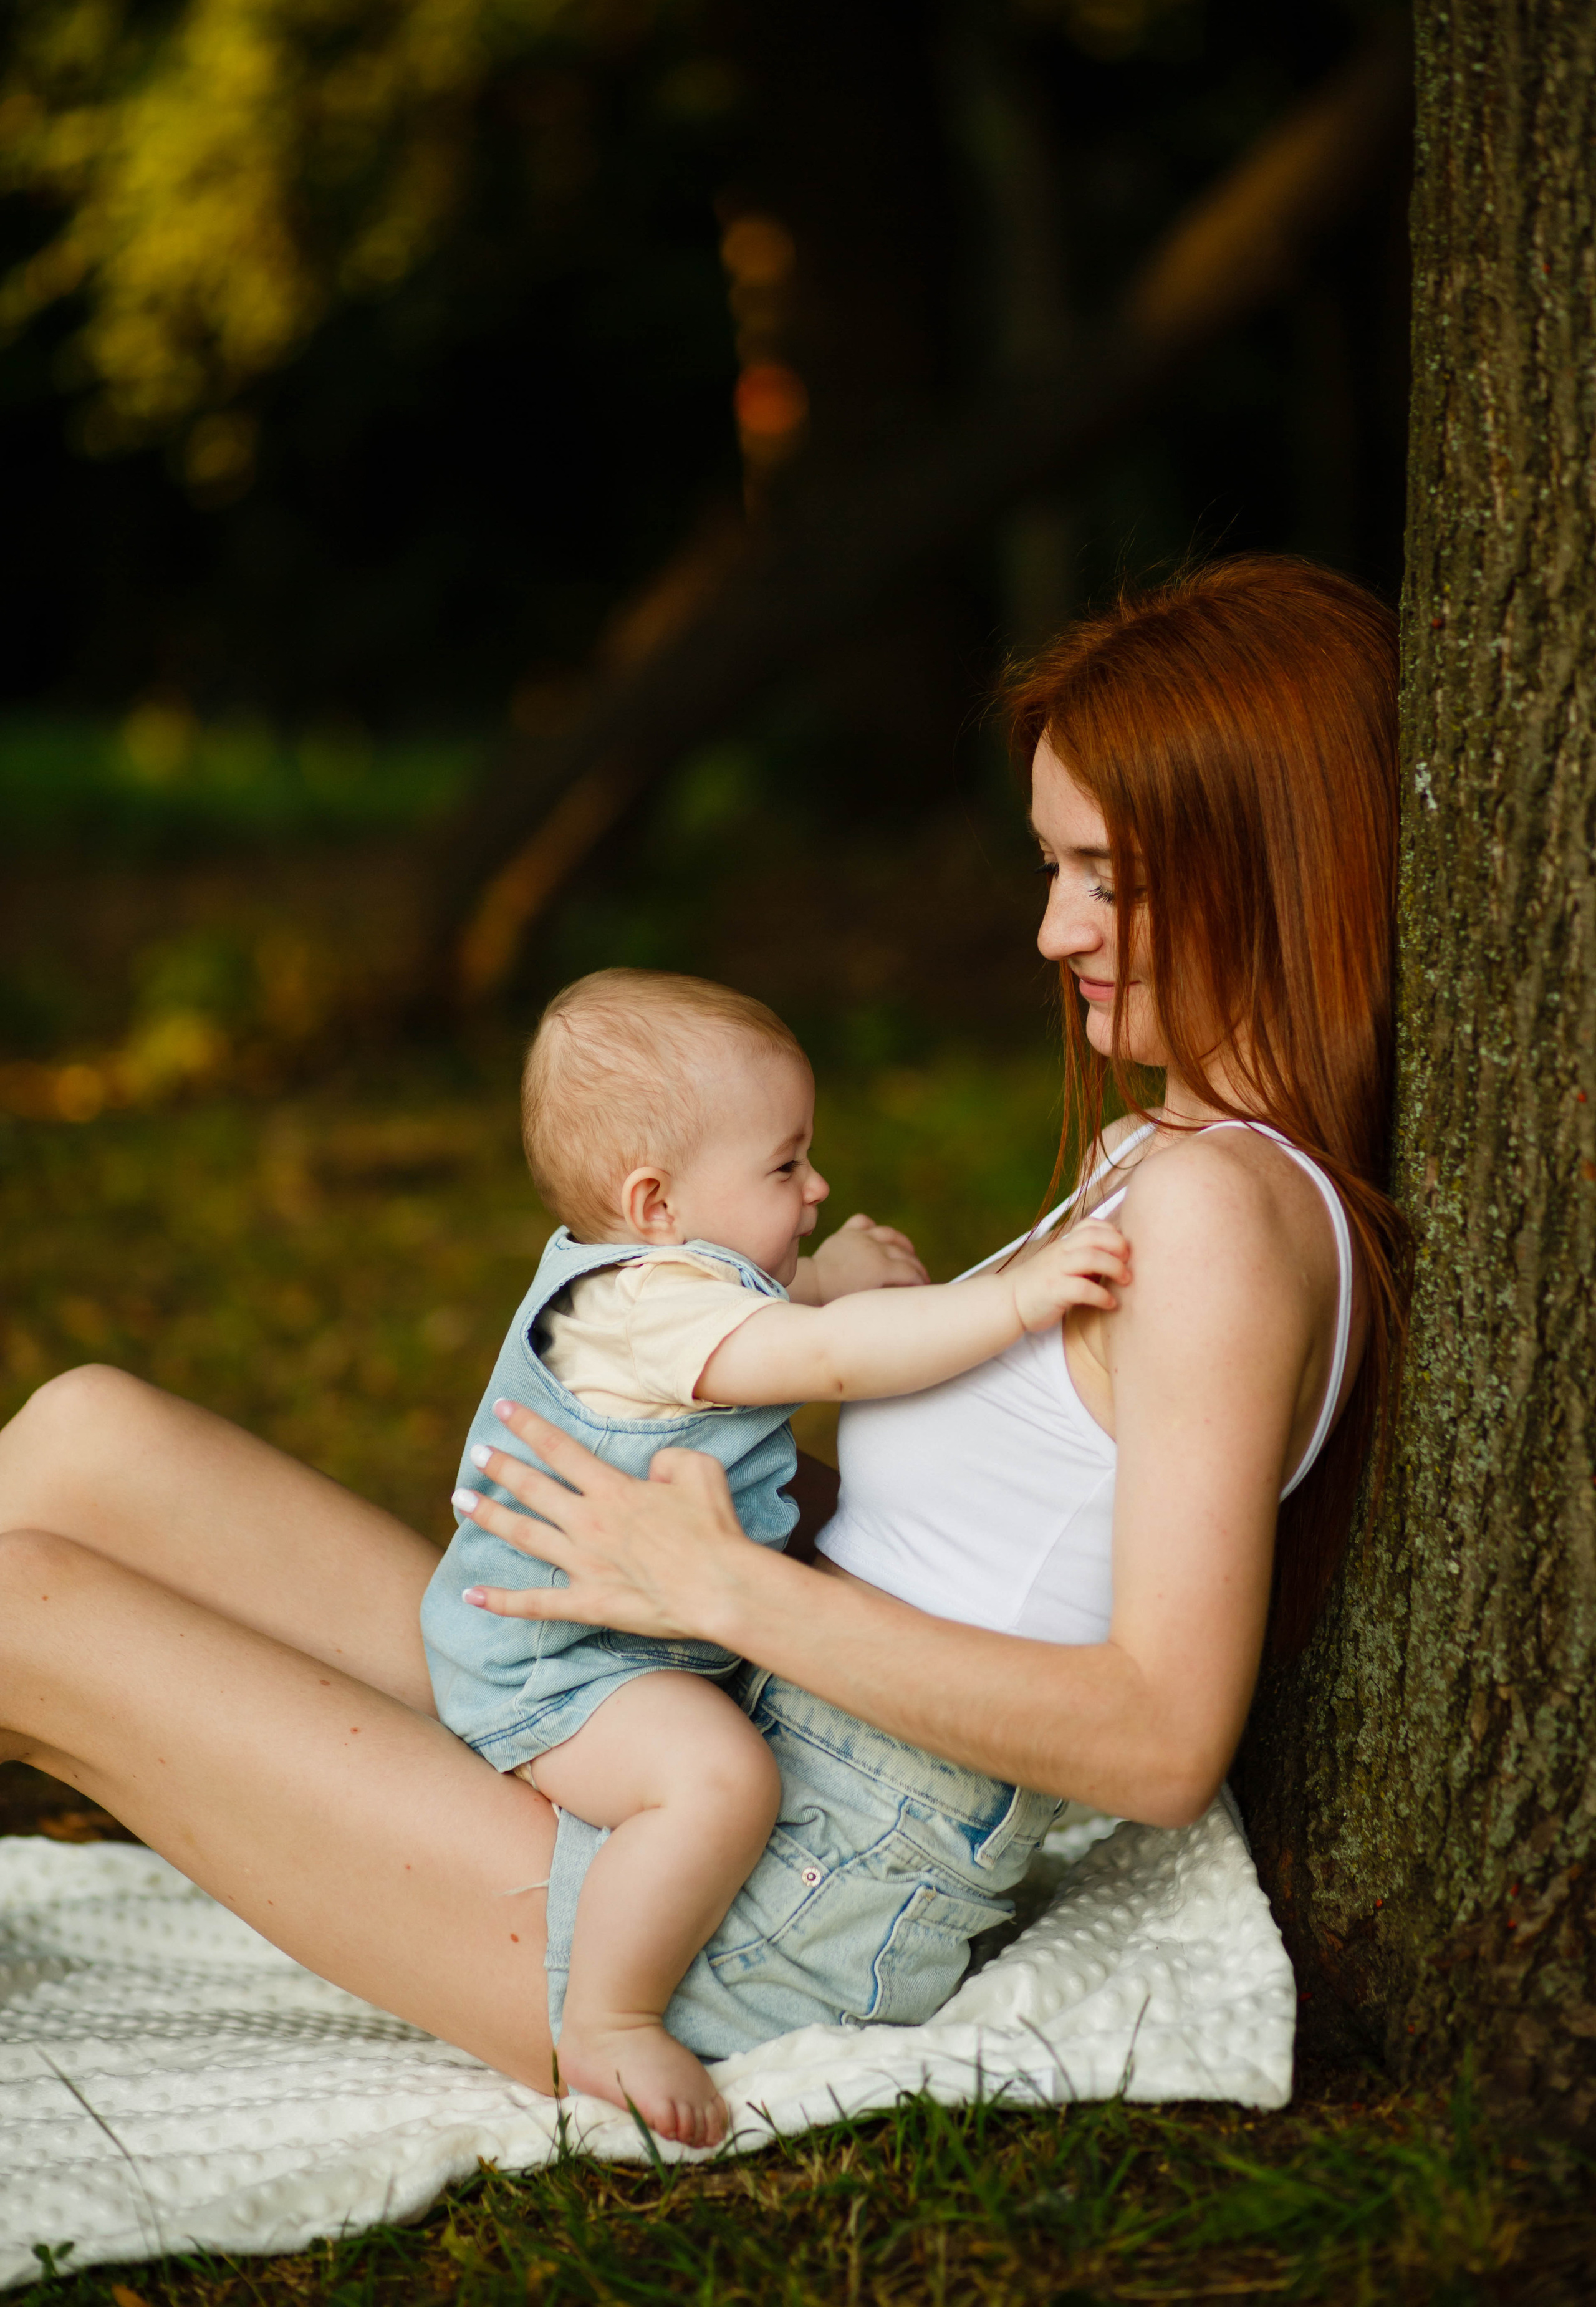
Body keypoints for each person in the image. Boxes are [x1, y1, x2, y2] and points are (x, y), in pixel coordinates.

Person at [0, 555, 1408, 2130]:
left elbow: (1155, 1737)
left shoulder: (1225, 1216)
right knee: (83, 1436)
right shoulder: (1157, 1154)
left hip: (764, 1902)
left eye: (1099, 874)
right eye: (1049, 867)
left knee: (19, 1605)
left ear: (1268, 859)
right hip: (700, 1717)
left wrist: (720, 1585)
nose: (1047, 931)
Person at [423, 964, 1130, 2142]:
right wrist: (1015, 1301)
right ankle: (610, 2019)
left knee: (722, 1759)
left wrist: (828, 1270)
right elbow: (835, 1355)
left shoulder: (676, 1278)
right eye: (785, 1167)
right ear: (655, 1204)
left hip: (596, 1634)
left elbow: (789, 1305)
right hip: (558, 1670)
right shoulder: (642, 1312)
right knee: (720, 1782)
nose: (818, 1185)